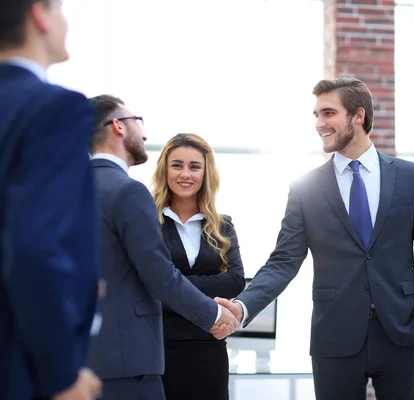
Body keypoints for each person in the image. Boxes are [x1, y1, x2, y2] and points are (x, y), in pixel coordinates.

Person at [214, 78, 414, 400]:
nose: (319, 124)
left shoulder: (411, 176)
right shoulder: (305, 188)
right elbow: (283, 261)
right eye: (316, 115)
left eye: (328, 113)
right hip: (334, 336)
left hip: (404, 335)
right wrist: (242, 307)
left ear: (358, 115)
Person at [88, 95, 240, 400]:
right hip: (138, 356)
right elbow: (158, 276)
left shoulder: (67, 185)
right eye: (137, 122)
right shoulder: (130, 193)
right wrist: (213, 311)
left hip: (189, 352)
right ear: (117, 126)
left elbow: (235, 279)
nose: (143, 134)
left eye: (195, 166)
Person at [0, 0, 102, 399]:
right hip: (18, 363)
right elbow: (33, 247)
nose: (66, 22)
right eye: (60, 9)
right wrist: (62, 376)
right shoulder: (54, 109)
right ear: (39, 15)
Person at [151, 133, 245, 400]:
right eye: (177, 165)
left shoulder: (222, 225)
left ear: (206, 173)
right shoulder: (146, 221)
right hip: (159, 349)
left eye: (195, 166)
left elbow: (236, 280)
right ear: (165, 169)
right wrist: (207, 284)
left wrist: (169, 283)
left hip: (209, 348)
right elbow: (142, 284)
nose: (185, 174)